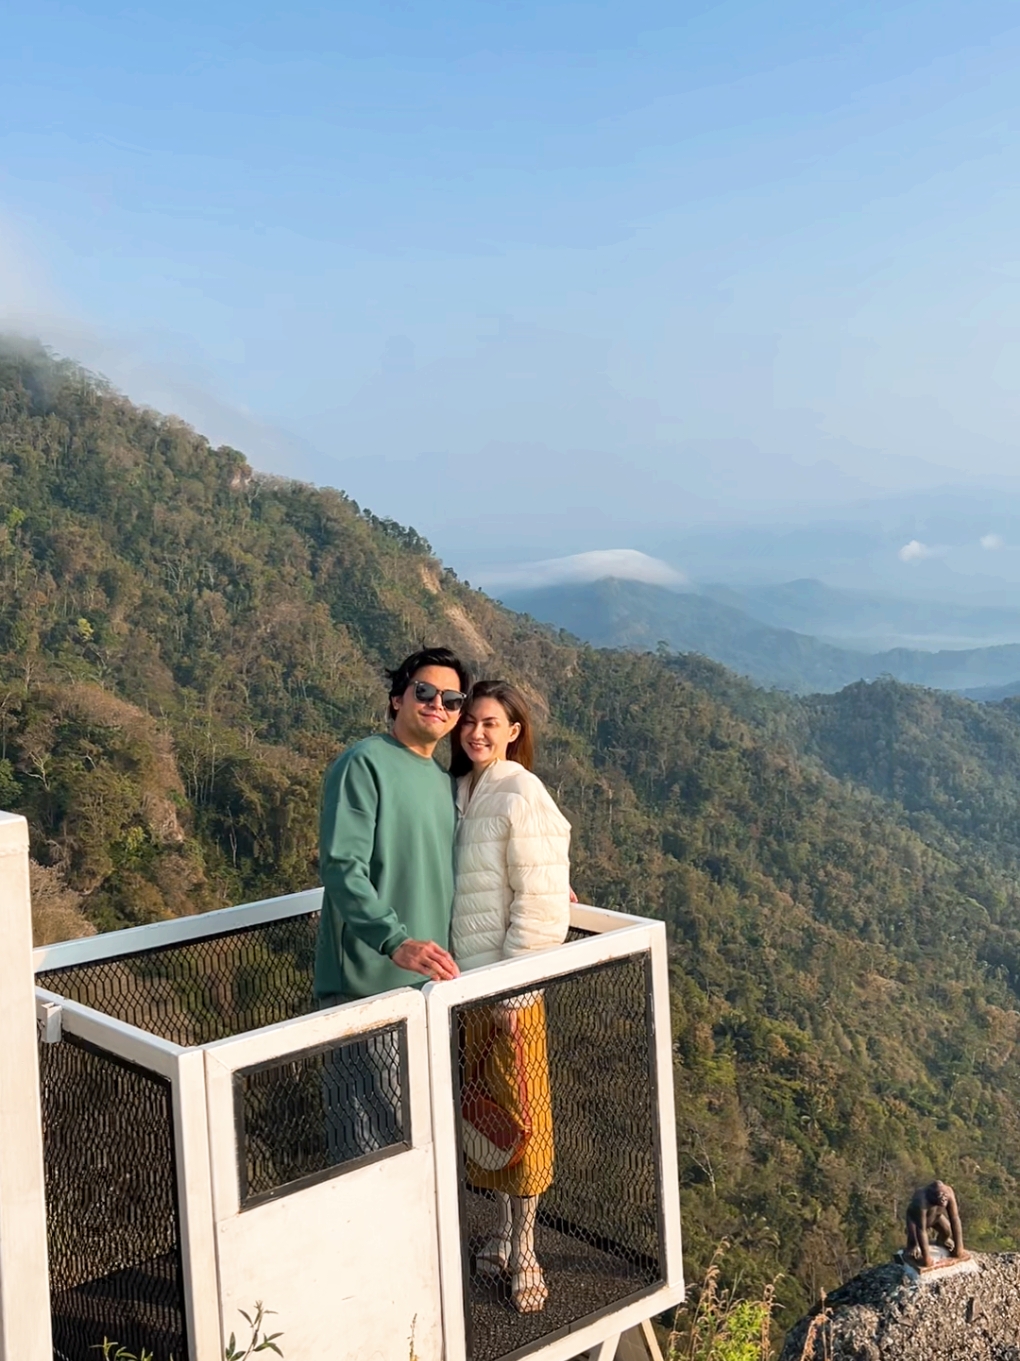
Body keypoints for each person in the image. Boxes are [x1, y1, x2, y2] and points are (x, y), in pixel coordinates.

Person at [314, 646, 468, 1157]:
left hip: (428, 989)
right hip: (366, 988)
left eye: (451, 698)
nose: (437, 704)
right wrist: (394, 941)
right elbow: (342, 867)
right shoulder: (364, 764)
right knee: (366, 1152)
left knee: (415, 1145)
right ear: (397, 700)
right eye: (424, 692)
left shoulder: (443, 784)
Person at [449, 680, 572, 1315]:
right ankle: (501, 1232)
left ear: (515, 730)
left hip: (509, 996)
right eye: (469, 721)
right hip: (467, 989)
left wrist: (514, 985)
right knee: (486, 1123)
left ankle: (526, 1248)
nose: (476, 732)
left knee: (525, 1124)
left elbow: (543, 898)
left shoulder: (522, 791)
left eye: (491, 723)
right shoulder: (465, 790)